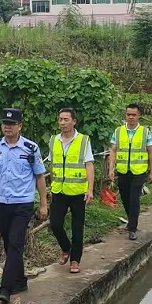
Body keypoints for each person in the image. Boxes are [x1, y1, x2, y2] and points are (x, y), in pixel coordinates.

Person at [0, 108, 48, 304]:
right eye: (5, 124)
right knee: (9, 244)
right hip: (1, 203)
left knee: (15, 244)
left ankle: (5, 289)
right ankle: (20, 280)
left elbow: (39, 176)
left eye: (12, 124)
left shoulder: (31, 148)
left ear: (20, 126)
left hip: (23, 204)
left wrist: (43, 203)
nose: (7, 127)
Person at [47, 108, 95, 274]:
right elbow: (52, 164)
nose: (62, 123)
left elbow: (89, 165)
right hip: (59, 190)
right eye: (60, 119)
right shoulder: (54, 140)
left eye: (66, 119)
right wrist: (52, 184)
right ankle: (66, 248)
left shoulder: (83, 141)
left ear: (74, 121)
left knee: (77, 227)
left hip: (78, 192)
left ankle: (75, 260)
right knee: (55, 224)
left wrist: (90, 189)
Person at [108, 103, 152, 241]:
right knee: (125, 198)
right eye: (128, 114)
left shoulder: (145, 132)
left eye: (134, 115)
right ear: (125, 115)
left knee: (134, 199)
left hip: (139, 172)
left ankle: (133, 228)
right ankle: (131, 221)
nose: (131, 117)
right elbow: (113, 150)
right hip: (123, 171)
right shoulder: (118, 131)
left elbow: (151, 153)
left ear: (139, 116)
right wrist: (111, 168)